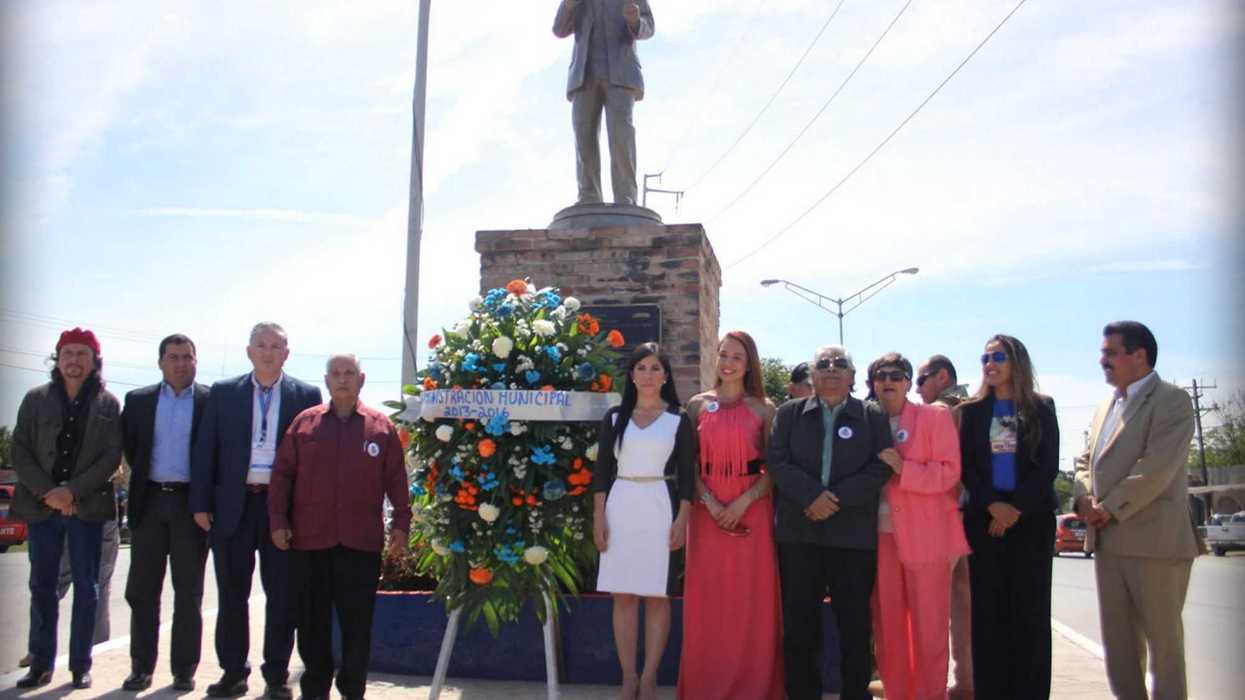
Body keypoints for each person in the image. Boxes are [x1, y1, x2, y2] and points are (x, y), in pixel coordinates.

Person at [191, 322, 322, 699]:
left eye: (276, 346)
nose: (268, 352)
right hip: (232, 508)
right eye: (261, 346)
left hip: (280, 510)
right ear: (249, 352)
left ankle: (277, 676)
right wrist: (200, 503)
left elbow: (311, 460)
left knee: (282, 596)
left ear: (287, 353)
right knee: (232, 595)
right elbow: (206, 449)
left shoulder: (306, 395)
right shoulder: (223, 393)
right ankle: (233, 673)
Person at [269, 354, 411, 700]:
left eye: (349, 373)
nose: (342, 379)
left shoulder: (380, 427)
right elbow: (282, 476)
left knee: (357, 624)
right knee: (311, 623)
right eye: (336, 373)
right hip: (310, 542)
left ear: (361, 380)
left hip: (360, 544)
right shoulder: (305, 424)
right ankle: (315, 689)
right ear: (326, 381)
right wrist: (278, 520)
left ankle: (352, 689)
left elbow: (397, 480)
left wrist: (401, 525)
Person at [1073, 321, 1197, 700]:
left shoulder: (1172, 401)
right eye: (1102, 353)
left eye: (1110, 353)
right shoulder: (1105, 406)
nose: (1102, 361)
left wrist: (1109, 507)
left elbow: (1156, 468)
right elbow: (1085, 461)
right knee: (1120, 649)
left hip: (1155, 544)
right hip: (1108, 543)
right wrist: (1083, 498)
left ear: (1139, 355)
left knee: (1165, 649)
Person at [769, 345, 892, 700]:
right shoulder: (789, 414)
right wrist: (811, 496)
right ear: (813, 374)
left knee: (854, 627)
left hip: (852, 538)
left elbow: (881, 466)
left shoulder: (872, 416)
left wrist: (833, 499)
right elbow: (777, 462)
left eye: (841, 364)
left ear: (852, 376)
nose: (832, 369)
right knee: (800, 627)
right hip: (799, 534)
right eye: (823, 363)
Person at [10, 327, 121, 690]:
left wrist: (72, 492)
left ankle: (80, 665)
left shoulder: (108, 404)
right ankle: (40, 664)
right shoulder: (35, 399)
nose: (75, 360)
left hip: (86, 510)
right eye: (68, 353)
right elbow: (20, 450)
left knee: (87, 589)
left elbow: (110, 458)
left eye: (82, 354)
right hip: (42, 507)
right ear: (58, 359)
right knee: (42, 586)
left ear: (95, 361)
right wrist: (49, 492)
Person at [678, 330, 784, 699]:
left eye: (737, 356)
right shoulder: (697, 405)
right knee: (708, 601)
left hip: (751, 512)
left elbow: (775, 468)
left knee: (750, 601)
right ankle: (705, 686)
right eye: (724, 354)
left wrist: (744, 501)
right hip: (706, 515)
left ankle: (753, 686)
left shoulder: (764, 409)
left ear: (749, 363)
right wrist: (709, 501)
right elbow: (688, 464)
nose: (728, 363)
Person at [958, 335, 1058, 699]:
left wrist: (1015, 509)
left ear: (1017, 361)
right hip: (984, 522)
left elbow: (1047, 466)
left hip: (1030, 522)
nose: (990, 364)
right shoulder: (972, 411)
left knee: (1029, 614)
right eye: (985, 358)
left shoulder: (1041, 407)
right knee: (988, 615)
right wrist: (993, 506)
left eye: (998, 357)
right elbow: (968, 466)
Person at [593, 343, 694, 700]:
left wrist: (682, 519)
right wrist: (599, 517)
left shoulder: (679, 419)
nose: (648, 375)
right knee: (623, 596)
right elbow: (602, 471)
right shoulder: (615, 418)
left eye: (655, 368)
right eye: (641, 368)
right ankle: (628, 678)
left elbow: (688, 476)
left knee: (656, 596)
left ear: (665, 376)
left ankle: (649, 678)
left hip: (660, 506)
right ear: (632, 375)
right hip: (621, 505)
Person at [865, 353, 969, 700]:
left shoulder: (934, 417)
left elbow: (950, 473)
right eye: (881, 376)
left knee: (930, 627)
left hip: (928, 539)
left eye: (897, 375)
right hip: (880, 538)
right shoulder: (866, 421)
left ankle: (930, 694)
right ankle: (898, 693)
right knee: (889, 628)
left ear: (909, 382)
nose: (888, 381)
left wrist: (903, 468)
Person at [120, 333, 210, 692]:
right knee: (143, 591)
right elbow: (131, 449)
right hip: (150, 502)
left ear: (196, 361)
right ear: (160, 362)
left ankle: (184, 670)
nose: (180, 363)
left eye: (187, 357)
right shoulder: (138, 401)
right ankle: (141, 667)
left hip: (191, 505)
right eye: (173, 357)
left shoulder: (210, 401)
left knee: (189, 593)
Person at [552, 0, 655, 206]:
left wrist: (635, 21)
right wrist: (570, 5)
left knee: (621, 137)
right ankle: (588, 196)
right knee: (583, 136)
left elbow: (648, 26)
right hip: (584, 74)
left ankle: (625, 198)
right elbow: (559, 29)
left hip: (621, 72)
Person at [916, 353, 972, 699]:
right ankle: (965, 681)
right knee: (962, 603)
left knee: (941, 604)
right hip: (964, 515)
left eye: (920, 380)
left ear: (942, 377)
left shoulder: (945, 411)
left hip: (948, 516)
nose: (917, 388)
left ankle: (946, 682)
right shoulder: (970, 407)